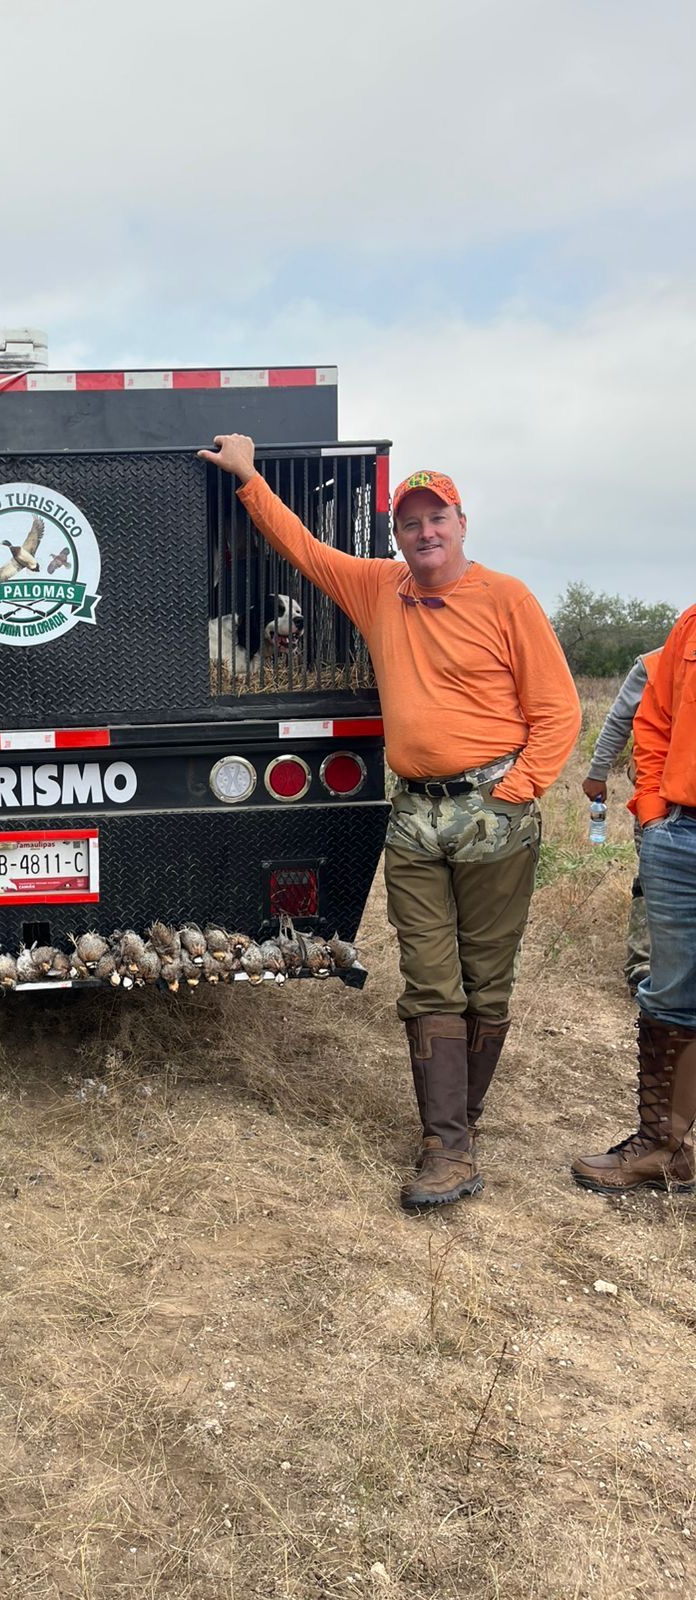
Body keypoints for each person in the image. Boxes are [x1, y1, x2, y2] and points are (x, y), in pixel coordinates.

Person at [198, 440, 581, 1212]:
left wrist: (515, 792)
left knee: (487, 978)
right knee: (429, 978)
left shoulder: (508, 600)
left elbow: (558, 709)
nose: (424, 533)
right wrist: (247, 479)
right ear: (396, 535)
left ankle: (459, 1124)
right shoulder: (379, 589)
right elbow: (303, 549)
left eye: (436, 517)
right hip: (412, 814)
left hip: (490, 814)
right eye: (410, 523)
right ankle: (445, 1144)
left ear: (461, 523)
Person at [572, 608, 696, 1193]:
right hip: (680, 832)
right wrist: (653, 812)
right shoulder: (688, 628)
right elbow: (648, 721)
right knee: (671, 994)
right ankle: (666, 1147)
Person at [582, 648, 662, 995]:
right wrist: (598, 773)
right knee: (653, 879)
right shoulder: (653, 664)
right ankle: (643, 966)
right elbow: (618, 720)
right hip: (660, 800)